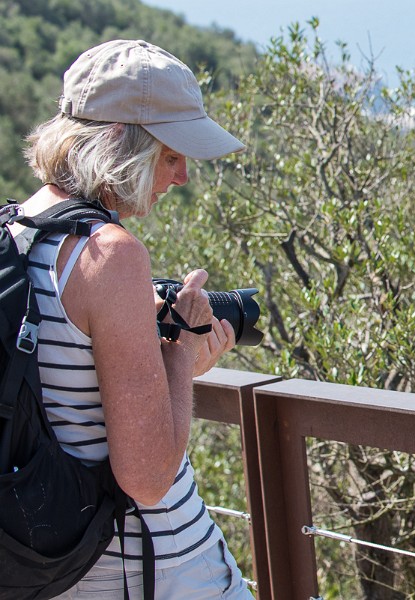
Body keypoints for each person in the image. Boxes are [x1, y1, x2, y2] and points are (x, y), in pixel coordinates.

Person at [12, 39, 252, 598]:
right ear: (120, 143)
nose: (183, 175)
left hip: (52, 566)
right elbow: (146, 480)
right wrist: (179, 353)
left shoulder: (19, 230)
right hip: (152, 565)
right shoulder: (110, 255)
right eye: (171, 155)